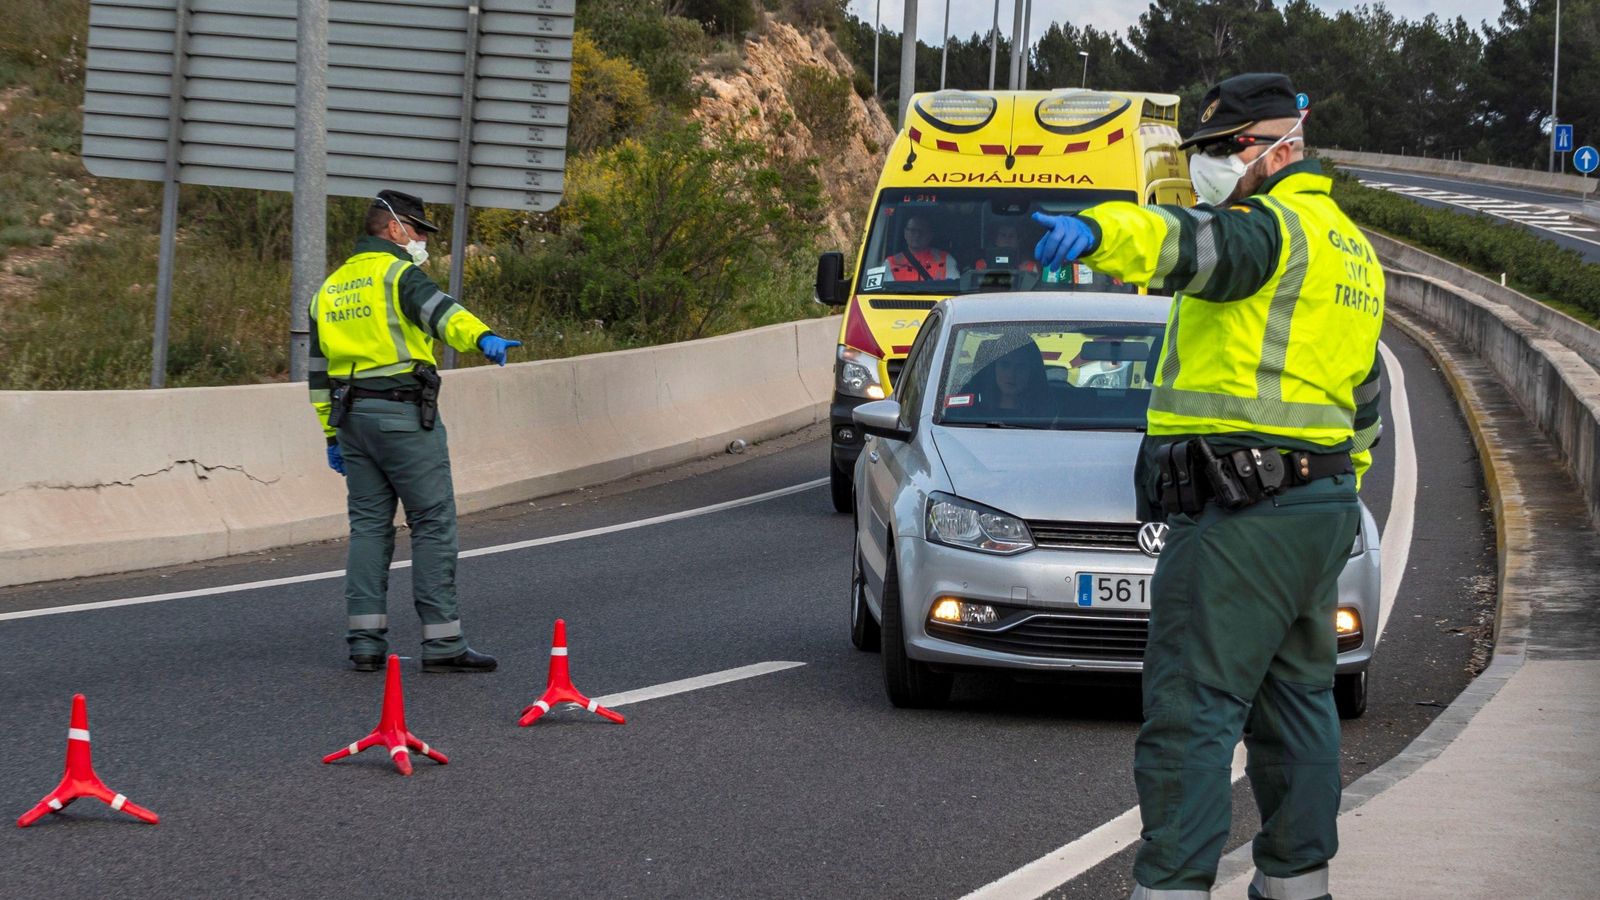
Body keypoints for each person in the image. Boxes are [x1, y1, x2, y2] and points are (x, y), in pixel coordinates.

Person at [1031, 74, 1385, 900]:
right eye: (1204, 150)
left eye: (1227, 148)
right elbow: (1365, 401)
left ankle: (1171, 887)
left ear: (1282, 146)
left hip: (1242, 511)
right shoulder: (1352, 253)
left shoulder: (1268, 231)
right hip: (1318, 505)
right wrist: (1334, 500)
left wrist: (1096, 231)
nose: (1210, 165)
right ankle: (1298, 884)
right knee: (1297, 703)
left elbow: (1184, 243)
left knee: (1193, 708)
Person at [308, 189, 521, 674]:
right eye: (418, 229)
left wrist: (330, 435)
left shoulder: (328, 289)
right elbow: (442, 313)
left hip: (350, 421)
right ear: (392, 227)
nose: (422, 239)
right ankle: (443, 644)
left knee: (368, 528)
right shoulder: (398, 274)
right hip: (402, 415)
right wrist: (484, 337)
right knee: (431, 522)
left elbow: (317, 372)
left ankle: (365, 643)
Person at [885, 214, 960, 281]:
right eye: (912, 231)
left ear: (930, 235)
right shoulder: (890, 263)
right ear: (905, 233)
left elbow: (953, 288)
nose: (917, 235)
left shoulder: (945, 260)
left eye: (922, 231)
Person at [972, 220, 1040, 274]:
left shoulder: (1029, 267)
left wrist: (1025, 274)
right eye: (1003, 235)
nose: (1007, 239)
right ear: (996, 239)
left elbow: (1040, 285)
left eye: (1012, 235)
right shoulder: (982, 265)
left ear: (1018, 240)